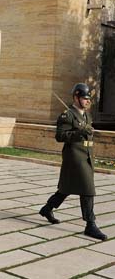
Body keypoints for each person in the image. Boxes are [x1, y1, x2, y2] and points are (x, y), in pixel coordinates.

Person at [39, 83, 107, 240]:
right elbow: (60, 136)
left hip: (87, 156)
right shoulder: (67, 115)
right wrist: (80, 132)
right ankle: (90, 225)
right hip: (74, 157)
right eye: (84, 98)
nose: (87, 101)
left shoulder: (87, 115)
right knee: (87, 189)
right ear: (76, 97)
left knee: (66, 188)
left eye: (88, 98)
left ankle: (47, 208)